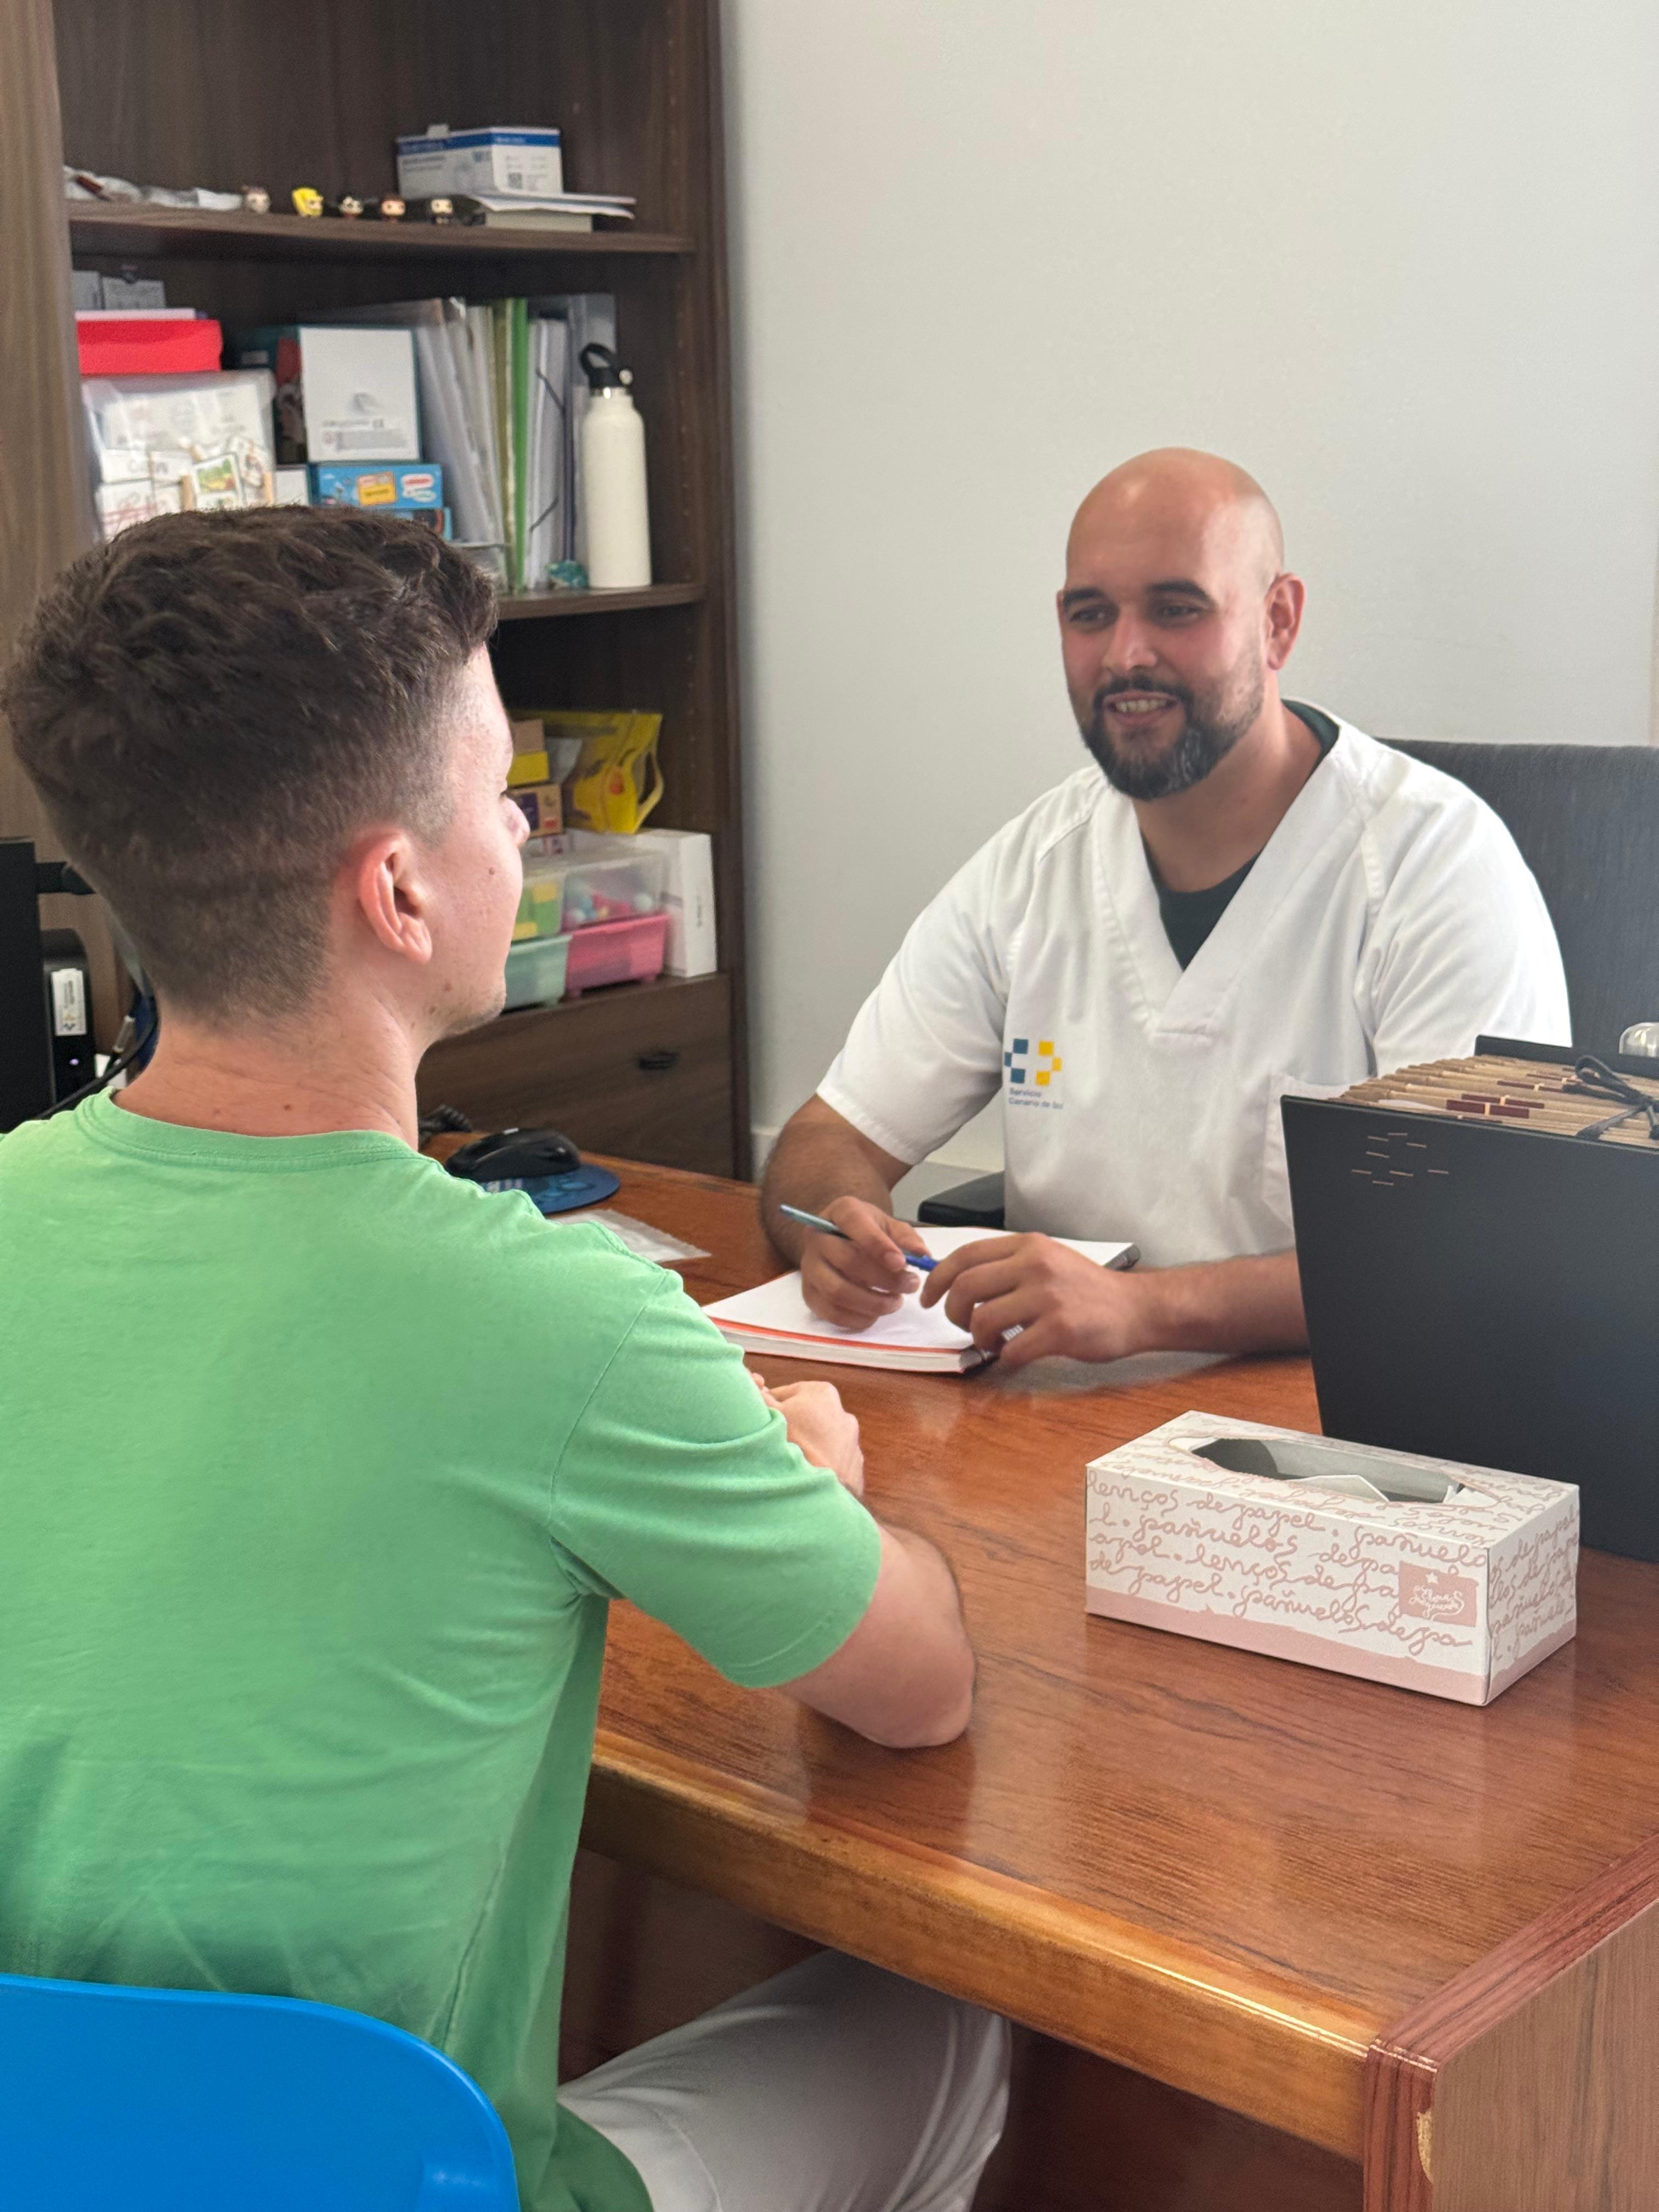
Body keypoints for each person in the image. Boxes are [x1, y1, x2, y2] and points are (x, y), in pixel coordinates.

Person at [0, 509, 1008, 2212]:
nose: (529, 828)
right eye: (499, 790)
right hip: (390, 2189)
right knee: (951, 2025)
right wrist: (822, 1486)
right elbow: (922, 1695)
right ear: (398, 890)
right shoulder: (562, 1322)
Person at [762, 448, 1570, 1371]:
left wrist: (1144, 1311)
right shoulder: (1033, 868)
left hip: (1335, 1415)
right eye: (1090, 614)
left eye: (1176, 609)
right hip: (1056, 1412)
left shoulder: (1435, 868)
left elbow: (1466, 1245)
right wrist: (833, 1224)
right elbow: (828, 1136)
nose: (1126, 655)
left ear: (1278, 621)